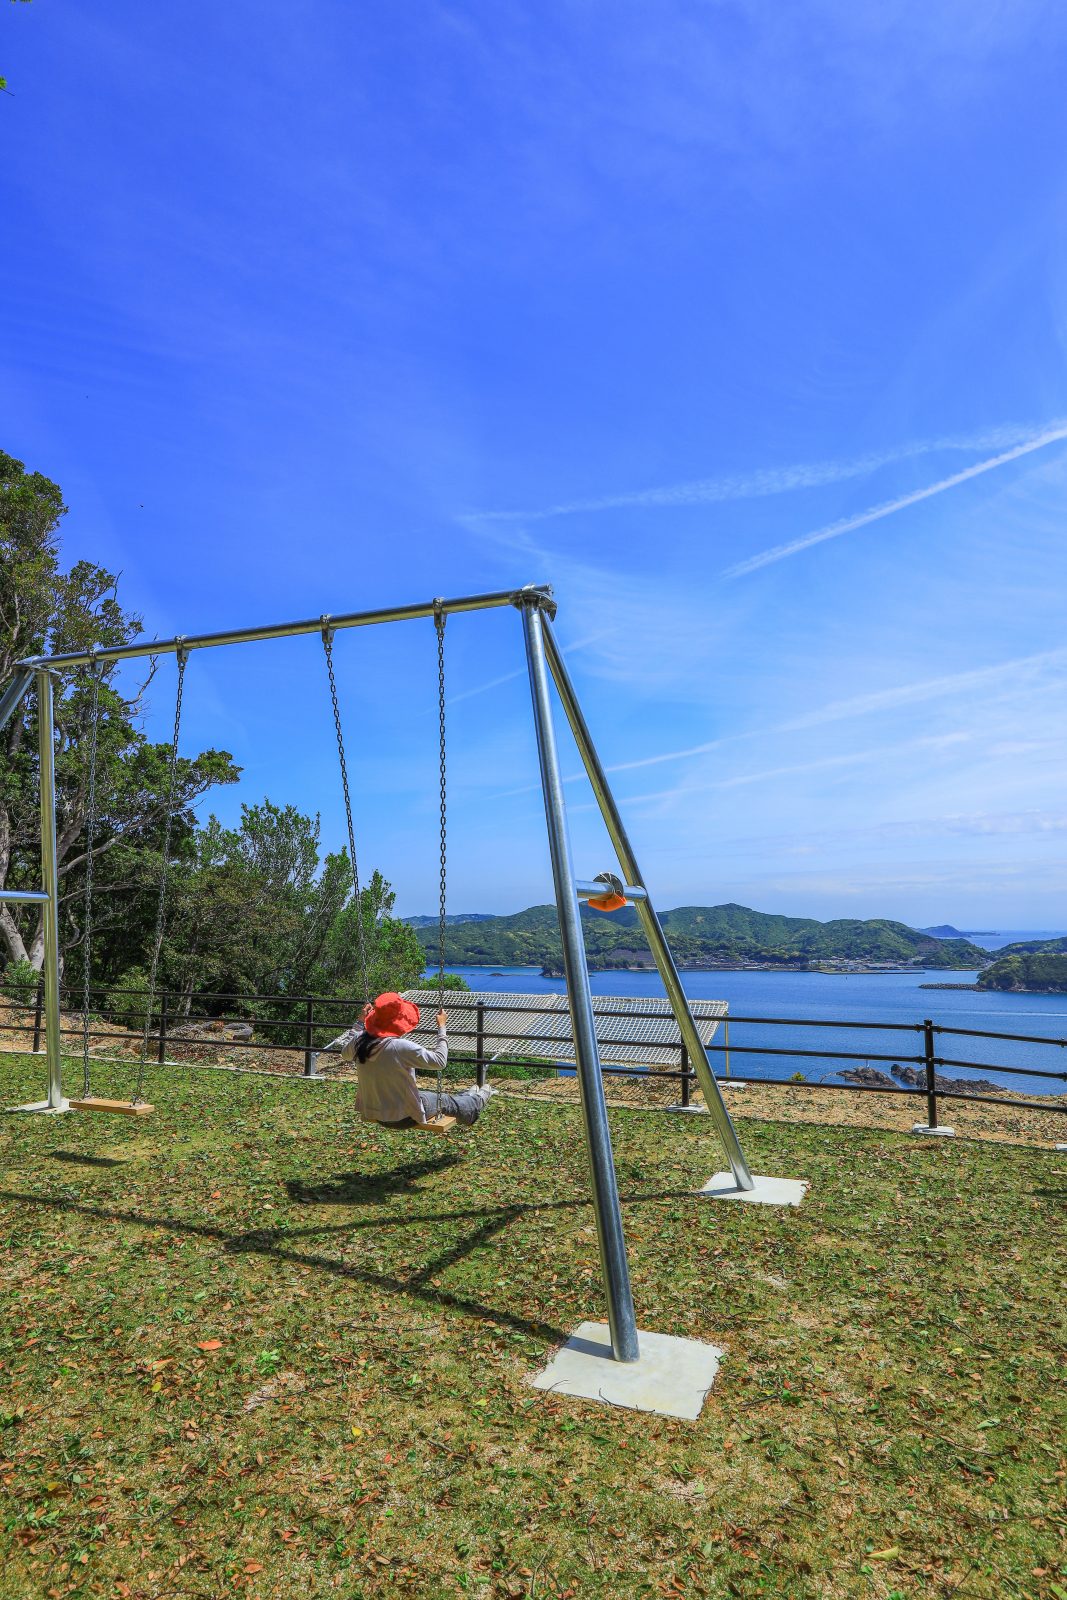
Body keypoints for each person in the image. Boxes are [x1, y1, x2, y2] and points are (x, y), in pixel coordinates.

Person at [324, 992, 495, 1128]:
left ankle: (469, 1095)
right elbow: (440, 1061)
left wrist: (360, 1022)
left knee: (438, 1098)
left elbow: (345, 1051)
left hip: (375, 1112)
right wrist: (442, 1027)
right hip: (404, 1116)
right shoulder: (400, 1047)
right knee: (445, 1101)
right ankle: (477, 1101)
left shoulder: (360, 1042)